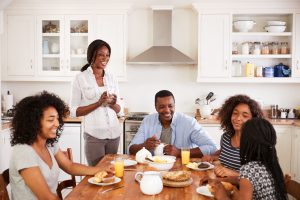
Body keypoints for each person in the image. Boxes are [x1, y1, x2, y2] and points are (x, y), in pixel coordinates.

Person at [9, 91, 110, 200]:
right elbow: (46, 197)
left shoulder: (49, 144)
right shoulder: (24, 151)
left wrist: (100, 169)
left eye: (57, 118)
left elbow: (70, 166)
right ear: (33, 122)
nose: (57, 123)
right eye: (51, 120)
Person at [70, 39, 122, 166]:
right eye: (101, 54)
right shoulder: (80, 78)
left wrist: (113, 103)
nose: (105, 58)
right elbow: (74, 111)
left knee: (112, 174)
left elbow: (119, 108)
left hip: (114, 135)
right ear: (92, 55)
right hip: (94, 136)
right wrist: (98, 103)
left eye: (107, 55)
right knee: (95, 175)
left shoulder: (112, 77)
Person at [208, 118, 287, 200]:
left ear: (246, 142)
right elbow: (241, 179)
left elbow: (245, 178)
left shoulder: (249, 169)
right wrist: (216, 180)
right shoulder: (270, 164)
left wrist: (222, 196)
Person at [129, 90, 217, 157]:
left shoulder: (189, 123)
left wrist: (180, 152)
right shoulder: (147, 121)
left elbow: (212, 147)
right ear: (156, 107)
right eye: (162, 107)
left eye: (170, 106)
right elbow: (131, 149)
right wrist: (144, 146)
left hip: (181, 169)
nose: (167, 110)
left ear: (174, 105)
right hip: (153, 168)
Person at [202, 95, 264, 177]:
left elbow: (259, 179)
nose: (238, 118)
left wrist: (233, 174)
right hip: (225, 184)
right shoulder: (226, 137)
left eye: (245, 116)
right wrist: (212, 157)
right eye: (235, 113)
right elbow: (225, 153)